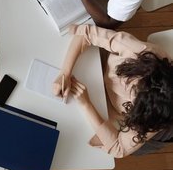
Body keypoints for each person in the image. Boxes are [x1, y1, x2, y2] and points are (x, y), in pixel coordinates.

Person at [52, 24, 173, 157]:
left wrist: (86, 105)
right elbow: (85, 33)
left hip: (120, 115)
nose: (130, 91)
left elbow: (119, 148)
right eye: (134, 87)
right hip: (97, 68)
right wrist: (65, 73)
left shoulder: (158, 113)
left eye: (135, 100)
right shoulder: (139, 52)